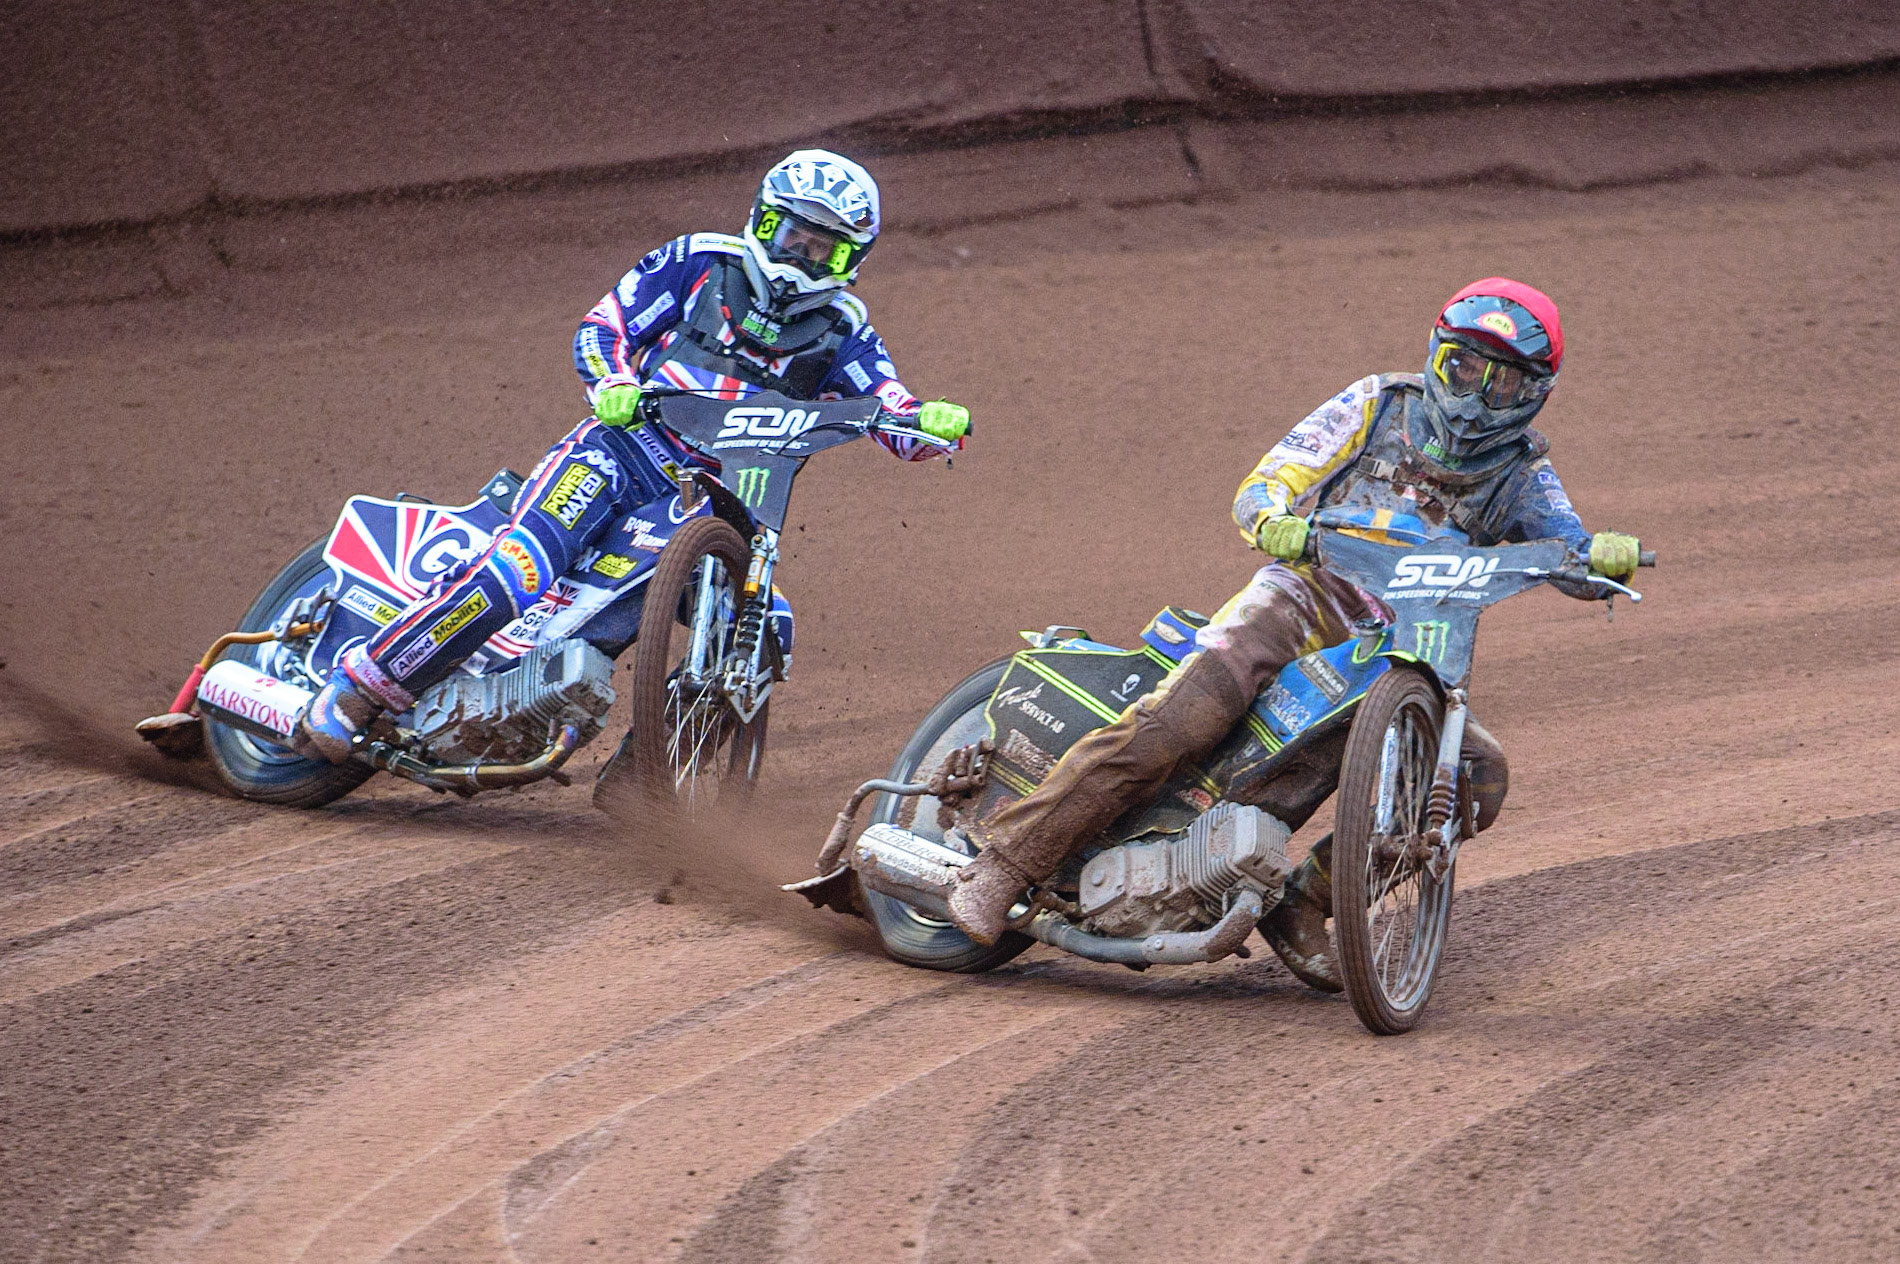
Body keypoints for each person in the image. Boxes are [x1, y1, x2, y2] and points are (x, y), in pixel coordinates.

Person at [945, 278, 1640, 990]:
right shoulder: (1380, 402)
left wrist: (1600, 556)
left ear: (1535, 392)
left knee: (1474, 779)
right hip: (1304, 594)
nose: (1475, 392)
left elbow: (1571, 552)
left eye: (1502, 380)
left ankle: (1305, 898)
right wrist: (1271, 516)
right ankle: (1005, 864)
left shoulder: (1525, 473)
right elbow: (1272, 476)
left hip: (1409, 639)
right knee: (1183, 721)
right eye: (1464, 367)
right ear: (1438, 356)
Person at [292, 150, 970, 763]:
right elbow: (603, 327)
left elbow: (893, 413)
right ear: (763, 223)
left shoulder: (846, 331)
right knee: (518, 569)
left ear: (851, 258)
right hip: (623, 452)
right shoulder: (700, 261)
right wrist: (612, 381)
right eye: (792, 236)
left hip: (719, 497)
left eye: (823, 250)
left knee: (769, 630)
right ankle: (359, 689)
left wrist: (930, 421)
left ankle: (653, 768)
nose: (801, 259)